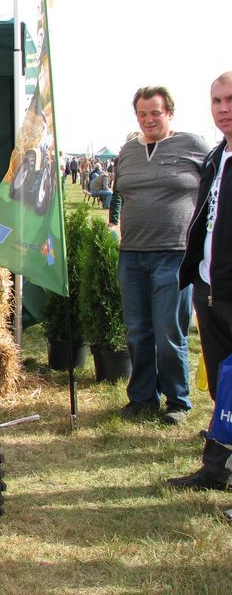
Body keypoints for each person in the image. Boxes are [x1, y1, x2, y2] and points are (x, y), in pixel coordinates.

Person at [111, 86, 210, 424]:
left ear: (169, 113)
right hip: (132, 254)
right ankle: (141, 398)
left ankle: (177, 401)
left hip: (175, 254)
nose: (149, 119)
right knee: (137, 331)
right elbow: (120, 194)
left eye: (155, 112)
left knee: (169, 330)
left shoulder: (194, 146)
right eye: (142, 113)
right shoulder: (126, 151)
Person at [169, 71, 232, 491]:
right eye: (217, 101)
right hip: (210, 289)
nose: (224, 109)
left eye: (230, 100)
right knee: (222, 386)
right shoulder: (216, 156)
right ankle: (217, 468)